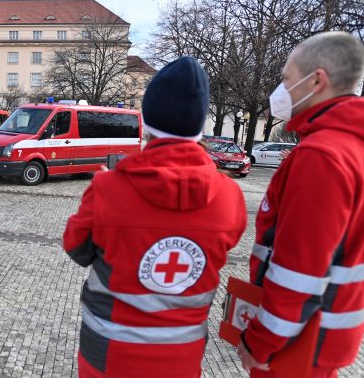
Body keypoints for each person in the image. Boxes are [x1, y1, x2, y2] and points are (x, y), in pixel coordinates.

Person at [63, 56, 247, 378]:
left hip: (107, 357)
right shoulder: (230, 198)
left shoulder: (108, 188)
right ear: (199, 123)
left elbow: (76, 248)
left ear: (146, 120)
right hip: (182, 361)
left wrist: (98, 196)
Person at [237, 32, 364, 377]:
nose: (280, 90)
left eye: (286, 79)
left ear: (316, 81)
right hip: (325, 338)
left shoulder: (322, 156)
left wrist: (260, 342)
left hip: (295, 345)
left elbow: (298, 273)